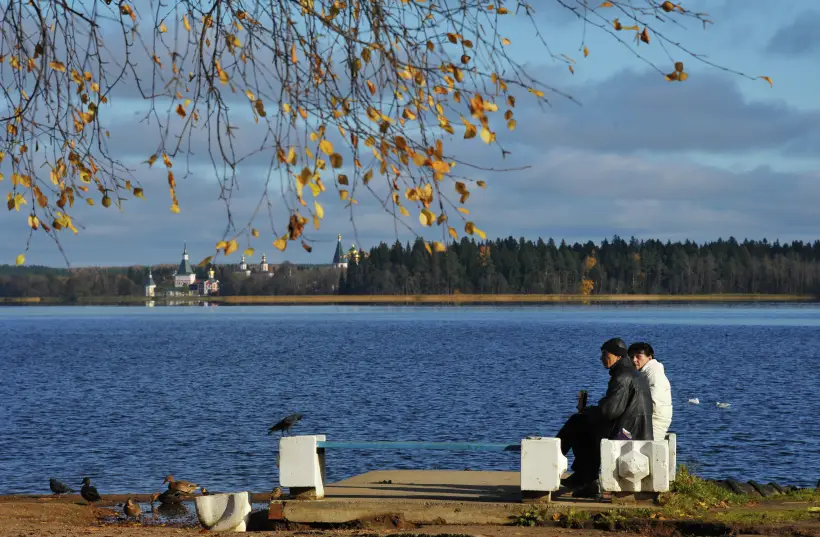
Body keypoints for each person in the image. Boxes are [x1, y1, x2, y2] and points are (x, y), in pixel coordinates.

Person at [557, 337, 654, 497]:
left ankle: (567, 468)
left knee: (578, 423)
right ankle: (586, 478)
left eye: (605, 354)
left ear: (618, 356)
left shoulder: (622, 376)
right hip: (633, 427)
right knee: (584, 425)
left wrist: (587, 412)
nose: (602, 358)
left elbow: (610, 411)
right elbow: (613, 407)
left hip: (628, 432)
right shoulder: (629, 373)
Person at [628, 342, 673, 441]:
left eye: (638, 356)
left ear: (649, 357)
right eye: (631, 357)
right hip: (652, 418)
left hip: (655, 419)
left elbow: (655, 400)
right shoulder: (646, 372)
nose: (634, 360)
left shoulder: (653, 372)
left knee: (647, 450)